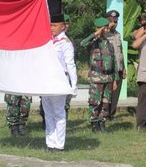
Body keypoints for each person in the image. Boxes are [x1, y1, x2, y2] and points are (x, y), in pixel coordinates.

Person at [41, 14, 77, 152]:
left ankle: (59, 144)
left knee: (58, 113)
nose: (52, 28)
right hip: (47, 80)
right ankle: (50, 143)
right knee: (48, 113)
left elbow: (70, 64)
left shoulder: (65, 43)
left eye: (55, 25)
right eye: (50, 25)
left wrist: (73, 85)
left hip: (60, 80)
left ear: (63, 26)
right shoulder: (49, 40)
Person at [80, 17, 118, 132]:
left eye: (107, 28)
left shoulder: (109, 43)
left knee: (106, 102)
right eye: (104, 28)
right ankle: (94, 122)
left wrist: (115, 79)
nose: (106, 30)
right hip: (96, 76)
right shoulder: (93, 42)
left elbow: (114, 62)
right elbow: (82, 44)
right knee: (95, 102)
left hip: (108, 77)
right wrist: (96, 33)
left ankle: (102, 122)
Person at [104, 10, 126, 120]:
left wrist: (124, 68)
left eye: (115, 21)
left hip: (119, 67)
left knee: (115, 93)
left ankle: (111, 114)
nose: (114, 23)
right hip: (109, 68)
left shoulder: (118, 34)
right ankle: (105, 114)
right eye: (111, 21)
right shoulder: (104, 34)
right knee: (107, 93)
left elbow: (120, 52)